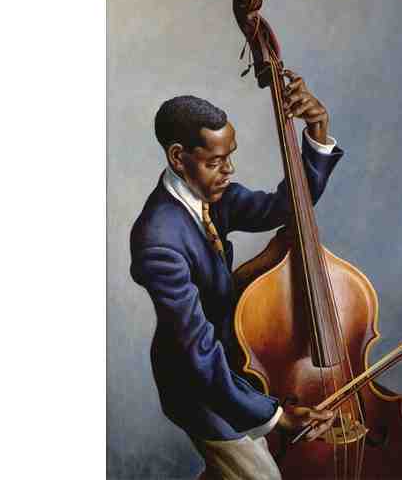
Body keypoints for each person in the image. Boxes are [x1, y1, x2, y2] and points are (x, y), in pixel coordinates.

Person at [130, 71, 342, 479]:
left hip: (233, 367)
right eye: (215, 161)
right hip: (196, 385)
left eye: (229, 157)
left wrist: (317, 131)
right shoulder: (158, 240)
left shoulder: (213, 194)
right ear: (178, 157)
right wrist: (277, 416)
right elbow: (197, 350)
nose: (228, 170)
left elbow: (287, 205)